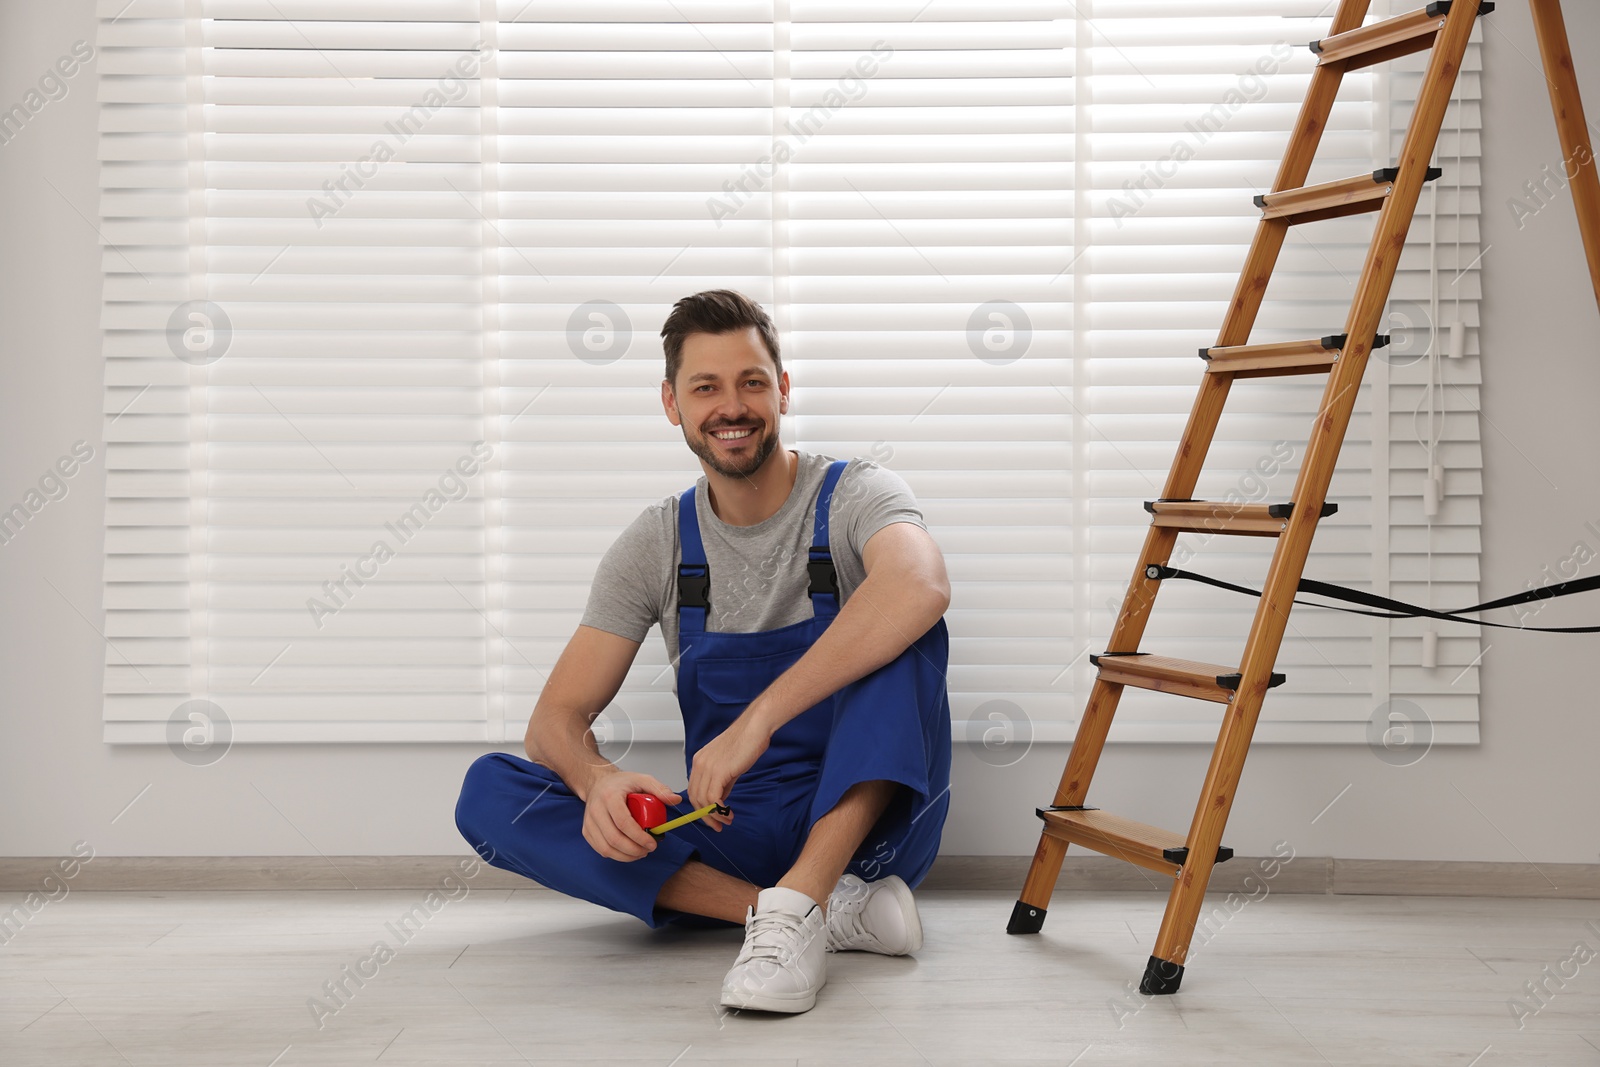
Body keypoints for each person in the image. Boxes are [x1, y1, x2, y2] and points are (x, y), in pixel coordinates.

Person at [455, 289, 953, 1015]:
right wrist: (597, 781)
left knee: (903, 632)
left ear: (782, 389)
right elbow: (553, 722)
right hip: (731, 828)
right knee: (491, 788)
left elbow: (920, 581)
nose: (733, 405)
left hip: (864, 833)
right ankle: (795, 914)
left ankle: (810, 891)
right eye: (706, 387)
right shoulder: (656, 542)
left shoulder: (856, 494)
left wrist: (755, 721)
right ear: (672, 402)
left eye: (752, 381)